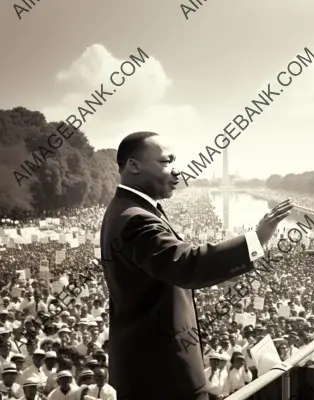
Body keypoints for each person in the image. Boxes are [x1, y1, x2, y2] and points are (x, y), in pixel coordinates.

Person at [101, 131, 294, 400]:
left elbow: (164, 273)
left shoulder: (128, 208)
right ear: (133, 166)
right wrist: (257, 238)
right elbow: (187, 265)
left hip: (151, 369)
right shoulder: (135, 218)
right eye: (166, 162)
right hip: (161, 377)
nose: (177, 171)